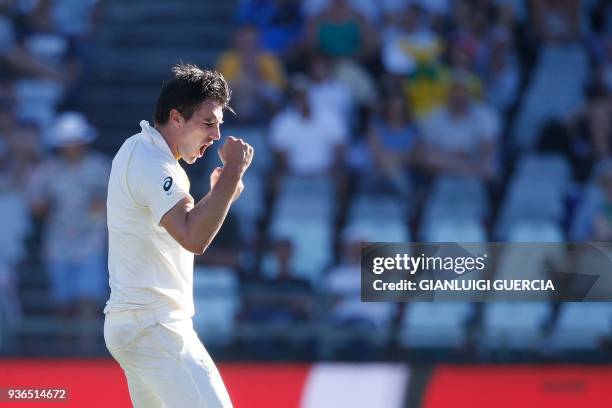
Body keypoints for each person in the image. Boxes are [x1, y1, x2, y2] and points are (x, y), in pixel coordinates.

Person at [103, 64, 254, 408]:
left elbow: (184, 226)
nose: (216, 135)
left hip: (140, 325)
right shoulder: (151, 160)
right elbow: (194, 237)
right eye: (208, 122)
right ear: (176, 117)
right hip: (155, 326)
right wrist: (232, 172)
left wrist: (223, 194)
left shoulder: (144, 152)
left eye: (219, 125)